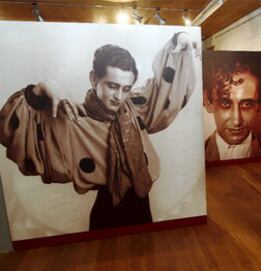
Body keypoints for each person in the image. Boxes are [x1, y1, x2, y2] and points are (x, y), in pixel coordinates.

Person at [0, 32, 197, 231]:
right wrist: (41, 89)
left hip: (143, 210)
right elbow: (14, 131)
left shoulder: (133, 108)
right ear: (93, 79)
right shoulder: (74, 119)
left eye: (126, 88)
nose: (119, 97)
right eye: (112, 86)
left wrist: (180, 38)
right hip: (106, 215)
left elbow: (165, 92)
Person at [203, 52, 261, 161]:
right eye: (225, 104)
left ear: (260, 102)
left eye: (246, 104)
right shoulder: (193, 157)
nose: (236, 121)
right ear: (207, 101)